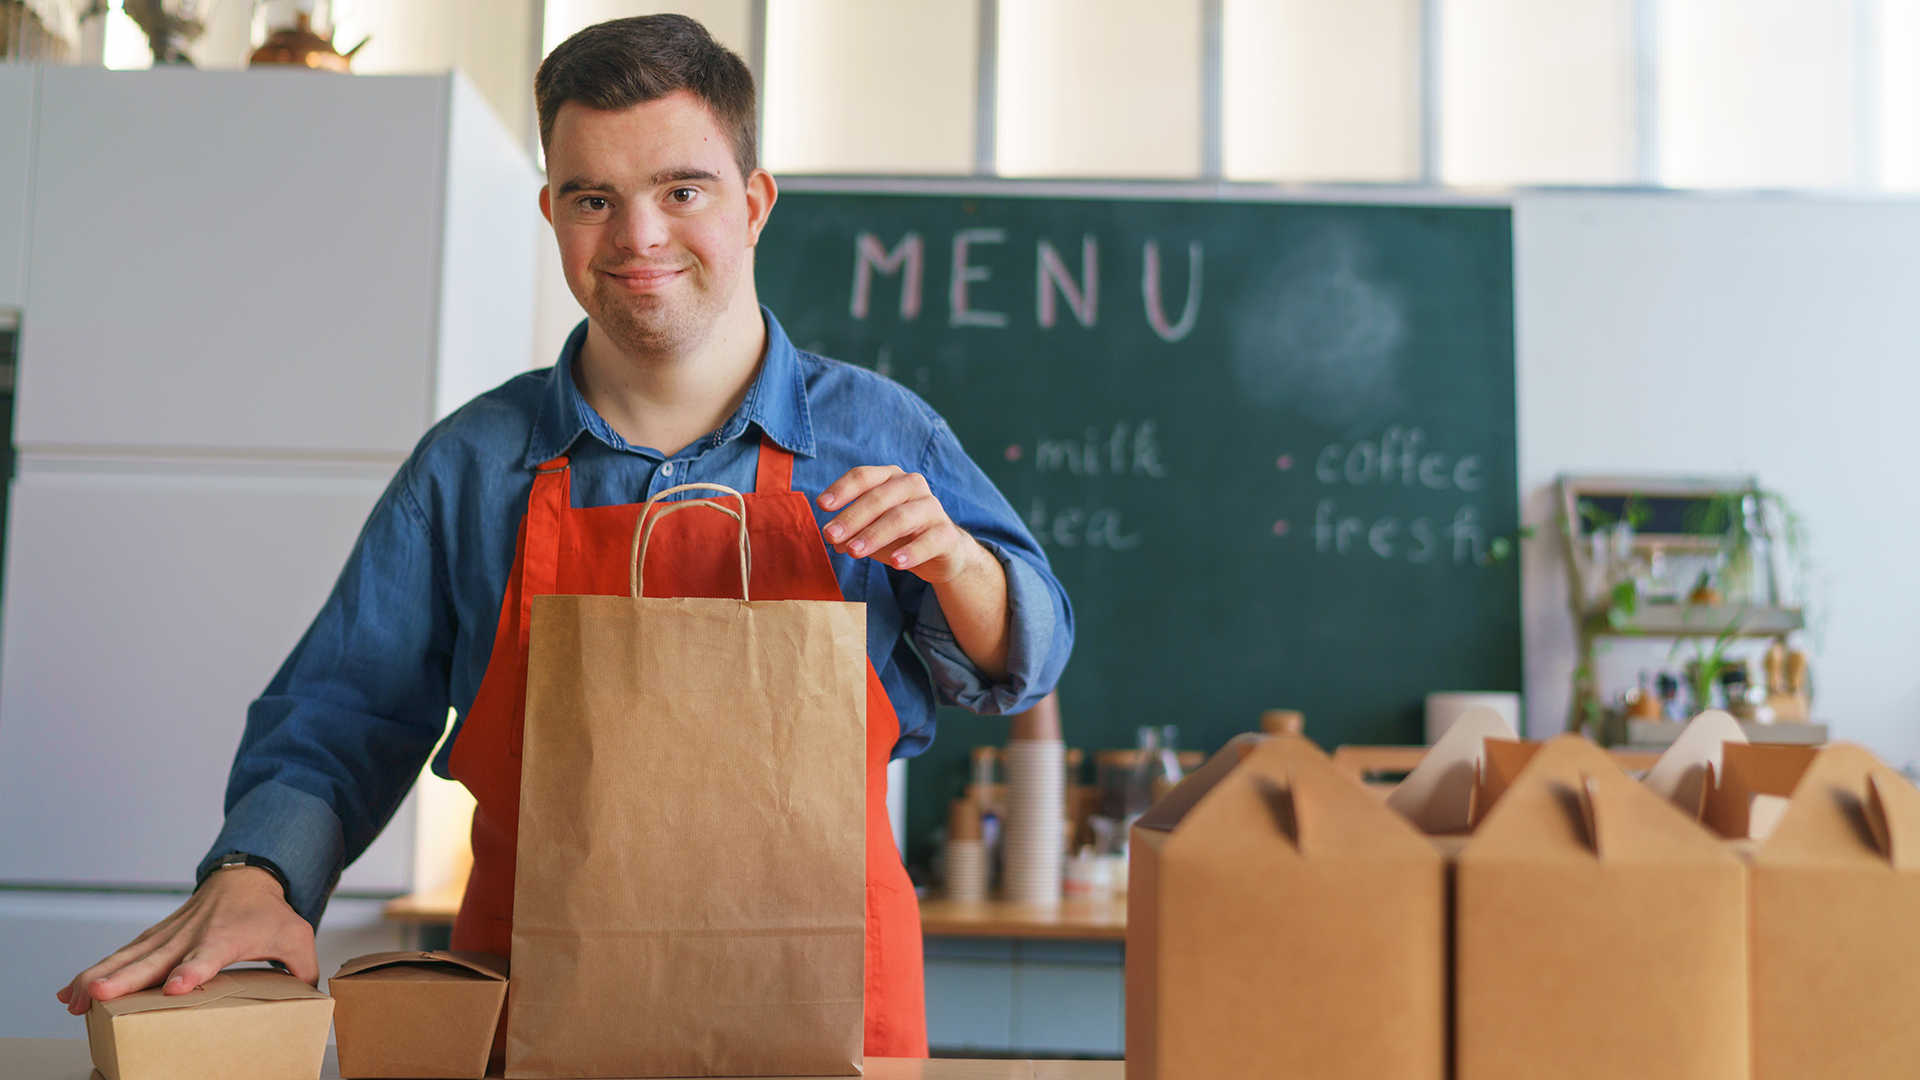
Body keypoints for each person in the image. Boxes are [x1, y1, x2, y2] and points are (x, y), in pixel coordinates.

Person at [58, 14, 1071, 1057]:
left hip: (827, 1009)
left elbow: (1023, 661)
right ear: (552, 213)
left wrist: (960, 562)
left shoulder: (881, 433)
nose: (639, 238)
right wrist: (257, 875)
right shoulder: (472, 466)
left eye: (683, 190)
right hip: (531, 1001)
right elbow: (340, 715)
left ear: (754, 204)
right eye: (595, 199)